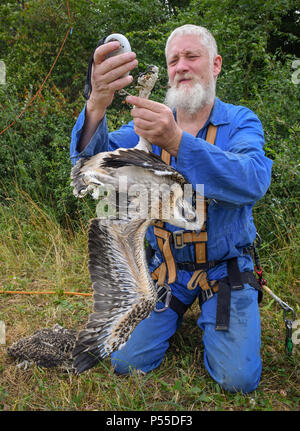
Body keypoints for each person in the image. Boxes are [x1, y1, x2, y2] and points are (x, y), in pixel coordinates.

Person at [70, 24, 273, 393]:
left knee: (237, 380)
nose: (181, 66)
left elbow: (253, 180)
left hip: (224, 269)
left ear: (216, 65)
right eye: (173, 60)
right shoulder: (145, 129)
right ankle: (174, 312)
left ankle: (219, 314)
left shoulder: (240, 121)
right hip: (166, 271)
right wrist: (96, 103)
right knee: (125, 361)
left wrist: (178, 142)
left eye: (191, 56)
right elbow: (90, 161)